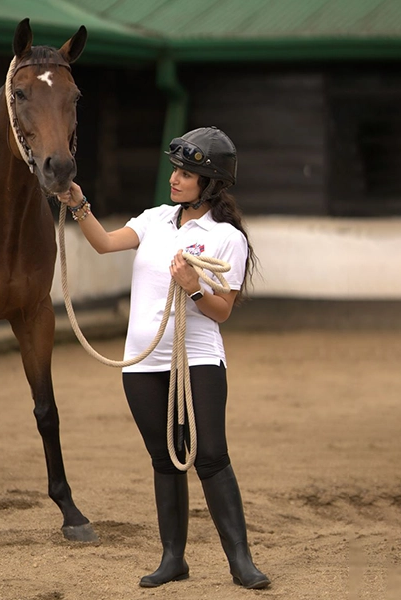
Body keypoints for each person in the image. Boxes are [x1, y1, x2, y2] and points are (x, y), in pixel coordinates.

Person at [58, 126, 270, 590]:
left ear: (209, 183)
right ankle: (173, 558)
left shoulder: (226, 238)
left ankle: (241, 562)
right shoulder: (155, 219)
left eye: (187, 173)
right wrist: (78, 203)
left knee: (210, 456)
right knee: (164, 458)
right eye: (176, 170)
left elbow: (223, 311)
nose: (175, 179)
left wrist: (194, 290)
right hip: (144, 362)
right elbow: (104, 242)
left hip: (197, 359)